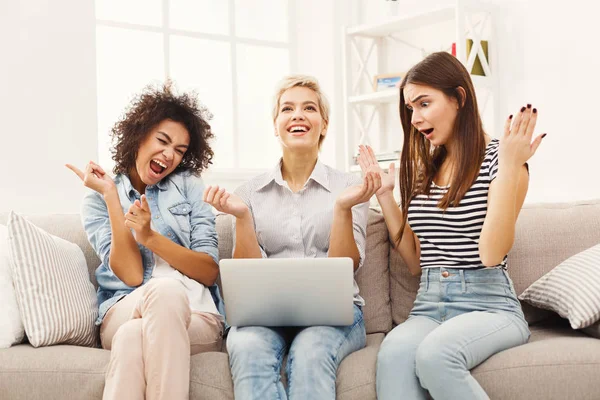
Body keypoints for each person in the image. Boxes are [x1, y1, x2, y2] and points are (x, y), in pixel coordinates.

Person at [361, 52, 545, 400]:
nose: (414, 118)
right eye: (410, 109)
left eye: (424, 104)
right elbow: (416, 261)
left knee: (435, 355)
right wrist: (385, 195)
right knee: (394, 356)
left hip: (490, 305)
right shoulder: (422, 171)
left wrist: (508, 165)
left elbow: (491, 253)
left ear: (459, 98)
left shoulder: (502, 162)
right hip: (428, 304)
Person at [203, 75, 379, 399]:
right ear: (276, 125)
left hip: (335, 314)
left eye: (309, 108)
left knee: (311, 352)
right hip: (264, 315)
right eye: (288, 109)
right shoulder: (248, 194)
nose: (297, 115)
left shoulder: (350, 188)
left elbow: (348, 264)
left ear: (323, 125)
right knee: (245, 346)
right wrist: (241, 217)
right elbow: (247, 274)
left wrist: (341, 208)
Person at [67, 82, 225, 400]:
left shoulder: (189, 187)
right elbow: (132, 276)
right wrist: (112, 195)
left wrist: (150, 237)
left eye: (180, 150)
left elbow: (208, 272)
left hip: (196, 315)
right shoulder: (98, 200)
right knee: (160, 293)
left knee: (132, 338)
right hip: (125, 308)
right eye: (163, 141)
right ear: (139, 136)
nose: (169, 155)